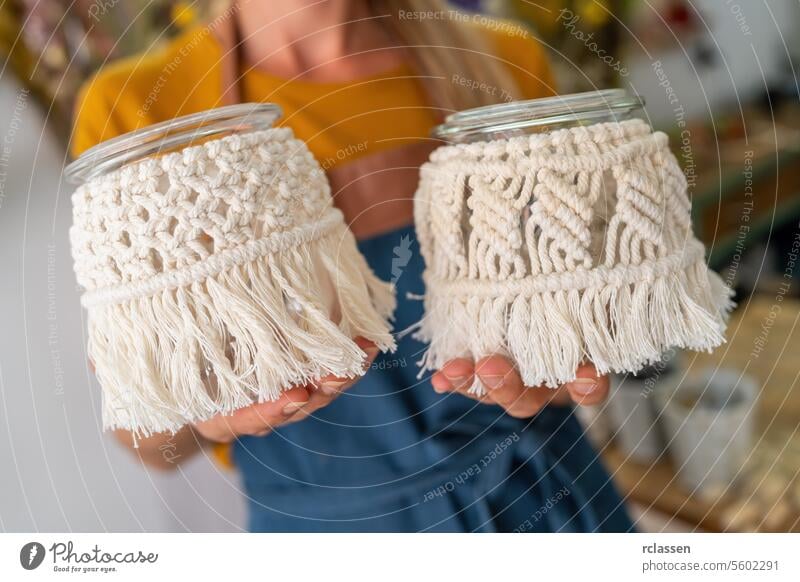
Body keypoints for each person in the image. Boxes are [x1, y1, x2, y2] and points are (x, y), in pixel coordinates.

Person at [72, 0, 633, 532]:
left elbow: (568, 333)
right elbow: (146, 439)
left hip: (543, 499)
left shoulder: (500, 60)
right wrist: (201, 417)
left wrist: (560, 371)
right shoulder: (134, 108)